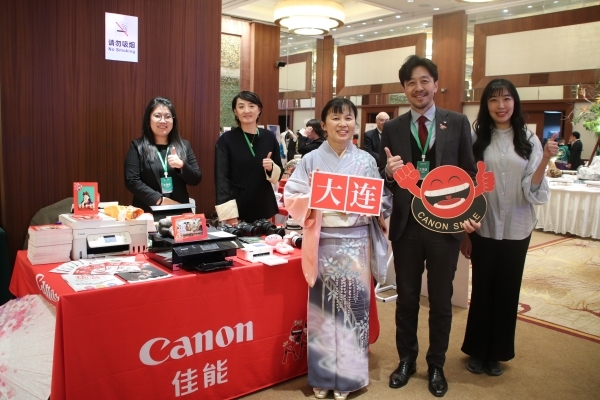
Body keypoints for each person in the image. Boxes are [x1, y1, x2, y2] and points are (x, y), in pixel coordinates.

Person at [380, 55, 477, 398]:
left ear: (435, 84)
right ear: (404, 89)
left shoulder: (457, 122)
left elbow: (469, 172)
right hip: (407, 226)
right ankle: (406, 359)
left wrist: (468, 213)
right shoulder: (392, 127)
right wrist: (388, 173)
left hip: (444, 226)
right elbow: (385, 177)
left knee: (440, 299)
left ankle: (436, 364)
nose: (418, 88)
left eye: (424, 81)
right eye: (411, 83)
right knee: (406, 298)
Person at [284, 97, 392, 400]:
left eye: (348, 118)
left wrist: (373, 204)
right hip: (323, 241)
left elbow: (382, 201)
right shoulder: (311, 159)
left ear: (355, 123)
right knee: (323, 311)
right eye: (335, 118)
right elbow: (292, 196)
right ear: (324, 124)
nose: (342, 124)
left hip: (356, 241)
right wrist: (315, 198)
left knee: (353, 310)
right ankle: (322, 375)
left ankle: (348, 378)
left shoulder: (367, 161)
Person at [460, 78, 557, 376]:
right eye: (493, 100)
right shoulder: (477, 139)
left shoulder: (528, 139)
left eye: (506, 99)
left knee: (507, 290)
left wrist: (545, 160)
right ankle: (477, 350)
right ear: (486, 105)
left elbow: (531, 188)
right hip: (484, 227)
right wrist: (465, 232)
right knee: (482, 289)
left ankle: (497, 353)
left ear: (515, 102)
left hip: (517, 227)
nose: (500, 106)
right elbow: (468, 187)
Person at [215, 91, 283, 225]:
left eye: (251, 106)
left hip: (264, 205)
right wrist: (230, 215)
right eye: (241, 107)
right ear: (235, 112)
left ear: (259, 110)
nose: (246, 110)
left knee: (266, 238)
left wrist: (271, 168)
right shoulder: (226, 140)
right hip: (237, 207)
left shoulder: (269, 137)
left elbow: (279, 173)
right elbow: (221, 179)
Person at [125, 97, 202, 213]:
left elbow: (196, 179)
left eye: (167, 116)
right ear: (148, 119)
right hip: (148, 212)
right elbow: (132, 181)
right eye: (157, 116)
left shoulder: (184, 146)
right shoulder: (137, 146)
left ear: (173, 120)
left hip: (179, 213)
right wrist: (160, 200)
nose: (163, 121)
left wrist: (182, 165)